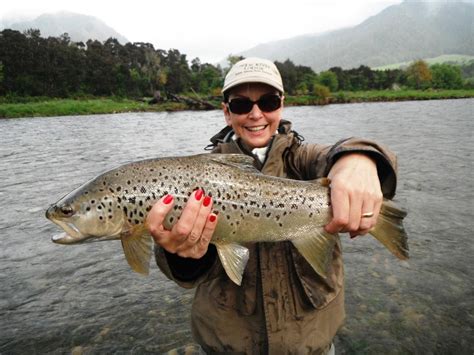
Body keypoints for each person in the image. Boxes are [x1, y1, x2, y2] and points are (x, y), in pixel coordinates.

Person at [146, 57, 398, 354]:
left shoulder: (305, 160)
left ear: (282, 105)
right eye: (241, 105)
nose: (255, 114)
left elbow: (337, 152)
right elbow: (184, 276)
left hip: (310, 346)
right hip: (227, 345)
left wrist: (359, 159)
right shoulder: (197, 176)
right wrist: (185, 257)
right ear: (227, 112)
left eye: (267, 101)